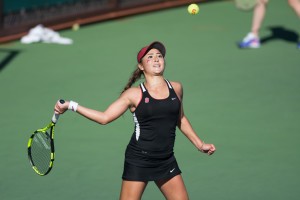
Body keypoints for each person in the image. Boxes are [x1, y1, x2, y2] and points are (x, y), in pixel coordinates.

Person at [54, 41, 216, 200]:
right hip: (139, 160)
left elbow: (180, 118)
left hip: (166, 160)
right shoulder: (133, 94)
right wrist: (71, 105)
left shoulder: (176, 88)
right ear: (141, 66)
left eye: (159, 56)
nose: (156, 59)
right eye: (150, 57)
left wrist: (199, 144)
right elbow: (104, 118)